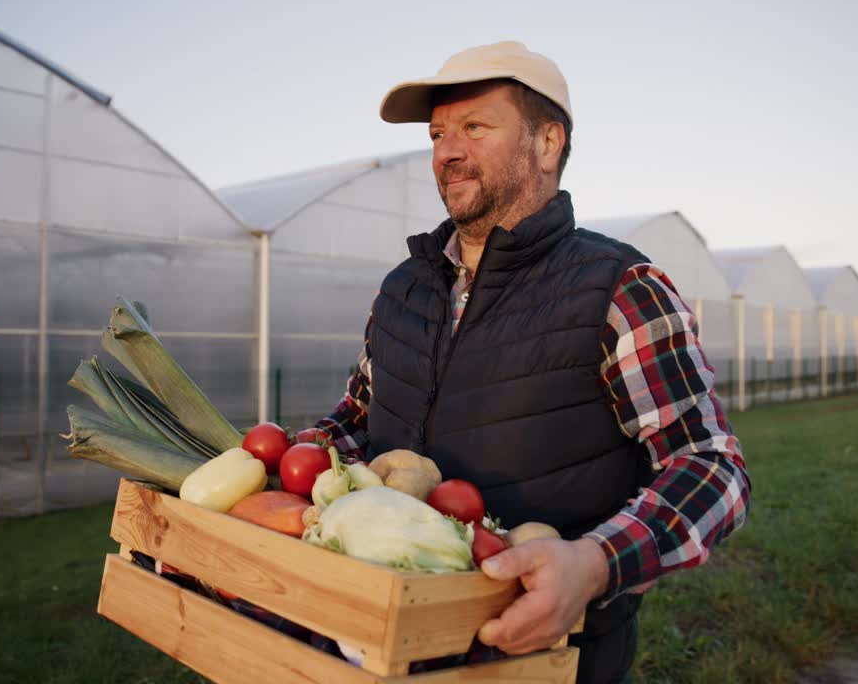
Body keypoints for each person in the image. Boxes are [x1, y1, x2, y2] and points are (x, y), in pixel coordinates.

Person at [302, 41, 752, 684]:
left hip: (547, 654)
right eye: (437, 134)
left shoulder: (619, 287)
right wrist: (270, 461)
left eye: (474, 128)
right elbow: (359, 418)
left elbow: (712, 466)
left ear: (547, 144)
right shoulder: (403, 289)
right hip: (385, 636)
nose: (446, 152)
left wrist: (594, 564)